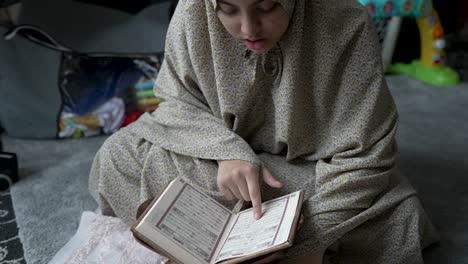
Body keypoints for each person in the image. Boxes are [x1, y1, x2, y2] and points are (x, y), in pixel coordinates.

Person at [89, 0, 439, 263]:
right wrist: (225, 151)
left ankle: (239, 240)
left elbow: (367, 154)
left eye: (267, 6)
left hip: (310, 173)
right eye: (228, 9)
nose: (248, 29)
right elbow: (177, 101)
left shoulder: (345, 23)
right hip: (224, 167)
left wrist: (304, 233)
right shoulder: (194, 10)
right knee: (118, 154)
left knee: (398, 214)